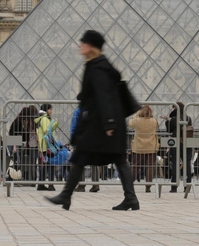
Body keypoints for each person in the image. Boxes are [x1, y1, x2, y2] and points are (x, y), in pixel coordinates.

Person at [45, 30, 139, 211]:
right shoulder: (96, 65)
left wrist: (109, 123)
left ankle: (66, 195)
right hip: (104, 121)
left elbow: (105, 96)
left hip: (104, 122)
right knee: (106, 158)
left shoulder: (98, 66)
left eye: (84, 42)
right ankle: (130, 198)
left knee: (84, 157)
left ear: (92, 47)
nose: (80, 45)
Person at [128, 105, 159, 193]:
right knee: (150, 166)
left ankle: (130, 184)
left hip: (139, 146)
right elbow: (157, 125)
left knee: (135, 166)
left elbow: (130, 123)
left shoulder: (136, 121)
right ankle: (148, 185)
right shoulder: (154, 121)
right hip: (151, 146)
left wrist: (135, 115)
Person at [69, 106, 101, 193]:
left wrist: (73, 140)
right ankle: (95, 184)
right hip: (94, 139)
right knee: (94, 162)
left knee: (80, 162)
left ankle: (81, 185)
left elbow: (73, 127)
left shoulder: (78, 111)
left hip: (81, 139)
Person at [163, 102, 192, 193]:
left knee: (175, 163)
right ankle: (187, 186)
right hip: (186, 143)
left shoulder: (174, 119)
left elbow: (169, 130)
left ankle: (174, 186)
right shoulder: (188, 118)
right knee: (187, 164)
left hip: (176, 143)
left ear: (176, 108)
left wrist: (167, 121)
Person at [35, 104, 58, 191]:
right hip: (47, 146)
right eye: (50, 109)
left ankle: (41, 184)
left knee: (43, 165)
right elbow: (46, 131)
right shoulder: (45, 119)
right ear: (46, 110)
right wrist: (55, 123)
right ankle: (51, 185)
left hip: (43, 146)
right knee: (50, 165)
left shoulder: (41, 118)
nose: (51, 111)